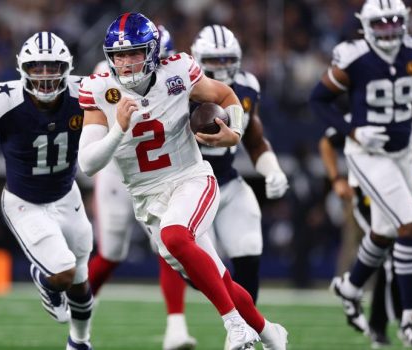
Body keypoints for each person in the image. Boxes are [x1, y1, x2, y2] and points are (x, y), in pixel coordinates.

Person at [78, 12, 287, 350]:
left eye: (134, 53)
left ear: (151, 53)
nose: (126, 63)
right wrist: (118, 128)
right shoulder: (100, 89)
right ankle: (270, 331)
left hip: (191, 178)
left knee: (175, 235)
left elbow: (226, 95)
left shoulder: (177, 71)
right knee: (215, 279)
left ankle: (235, 327)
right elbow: (88, 163)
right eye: (119, 55)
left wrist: (232, 133)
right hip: (147, 196)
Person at [309, 0, 412, 347]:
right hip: (368, 154)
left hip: (402, 153)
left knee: (385, 231)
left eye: (393, 22)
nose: (388, 30)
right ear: (366, 26)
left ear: (404, 22)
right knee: (411, 222)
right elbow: (318, 100)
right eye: (381, 24)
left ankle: (350, 286)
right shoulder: (354, 57)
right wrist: (351, 131)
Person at [0, 31, 95, 350]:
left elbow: (122, 106)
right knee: (64, 272)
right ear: (23, 69)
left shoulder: (85, 93)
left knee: (82, 281)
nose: (44, 75)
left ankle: (79, 343)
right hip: (25, 203)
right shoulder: (6, 99)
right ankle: (45, 280)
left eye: (51, 67)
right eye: (37, 67)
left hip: (68, 196)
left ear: (66, 67)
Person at [88, 25, 198, 350]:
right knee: (111, 253)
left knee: (168, 243)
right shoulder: (103, 79)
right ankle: (80, 308)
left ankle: (175, 326)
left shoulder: (173, 75)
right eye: (128, 56)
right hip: (116, 170)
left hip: (158, 172)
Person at [319, 113, 412, 348]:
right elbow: (326, 136)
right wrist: (336, 178)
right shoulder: (359, 115)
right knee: (388, 258)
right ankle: (396, 323)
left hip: (400, 196)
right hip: (365, 198)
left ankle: (352, 290)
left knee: (393, 256)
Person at [191, 24, 289, 303]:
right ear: (197, 59)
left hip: (227, 181)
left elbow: (255, 141)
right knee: (199, 276)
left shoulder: (246, 87)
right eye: (213, 60)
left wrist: (273, 170)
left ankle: (244, 336)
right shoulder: (179, 88)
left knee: (248, 250)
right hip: (188, 188)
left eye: (227, 60)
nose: (221, 67)